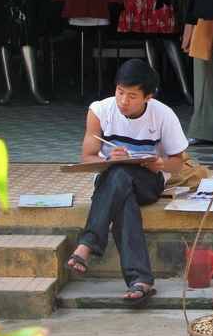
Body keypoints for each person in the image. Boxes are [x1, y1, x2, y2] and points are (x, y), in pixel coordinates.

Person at [65, 59, 188, 305]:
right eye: (120, 92)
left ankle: (86, 246)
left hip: (149, 183)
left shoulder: (163, 115)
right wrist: (109, 157)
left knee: (120, 174)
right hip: (112, 184)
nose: (123, 101)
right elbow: (87, 158)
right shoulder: (99, 111)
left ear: (147, 97)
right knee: (122, 192)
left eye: (132, 96)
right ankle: (141, 281)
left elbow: (178, 162)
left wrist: (160, 164)